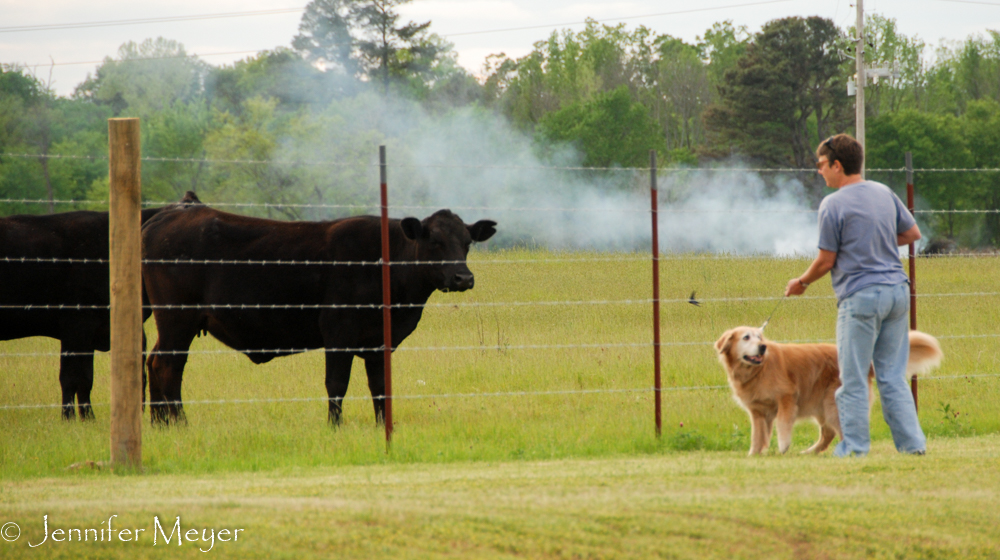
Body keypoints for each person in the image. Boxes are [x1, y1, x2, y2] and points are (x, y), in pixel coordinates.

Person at [784, 134, 925, 457]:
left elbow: (825, 260)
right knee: (891, 376)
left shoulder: (832, 204)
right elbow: (912, 232)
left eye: (821, 165)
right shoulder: (883, 192)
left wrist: (801, 283)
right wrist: (876, 241)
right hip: (897, 293)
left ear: (837, 165)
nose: (820, 171)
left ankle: (855, 448)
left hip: (860, 297)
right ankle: (913, 446)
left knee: (853, 378)